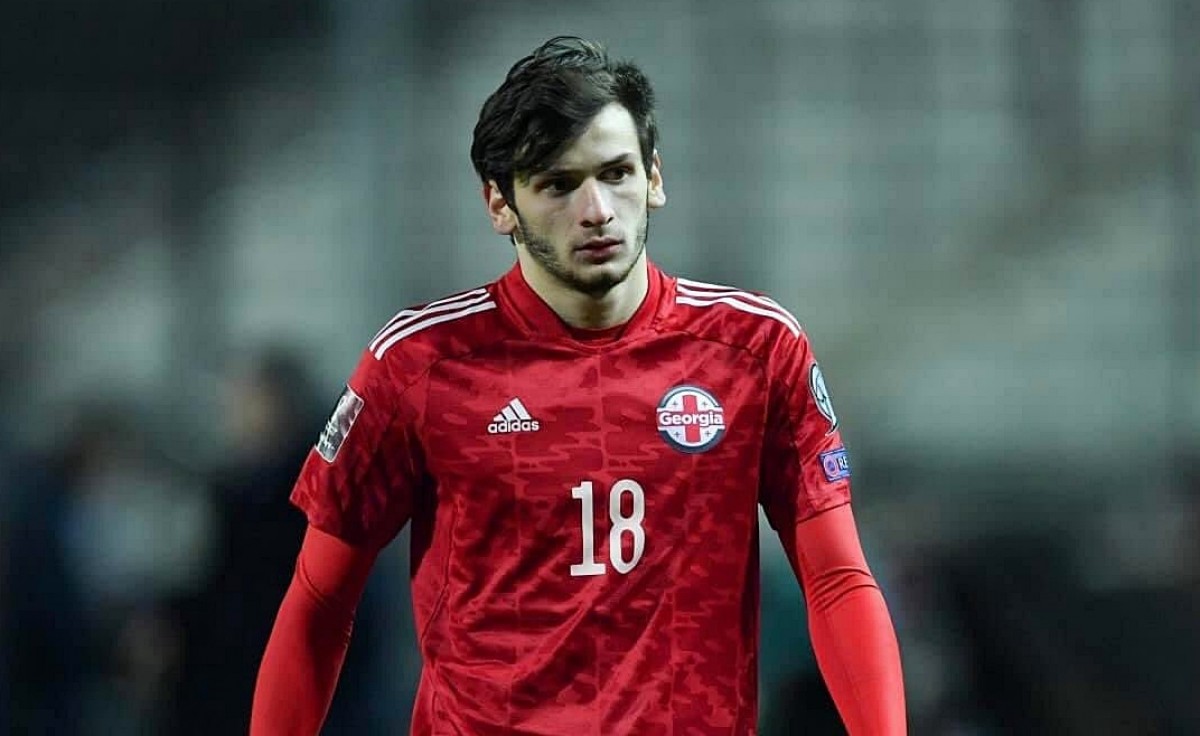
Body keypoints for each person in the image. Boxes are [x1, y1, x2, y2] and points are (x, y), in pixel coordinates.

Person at [251, 36, 906, 734]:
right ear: (500, 204)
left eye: (616, 173)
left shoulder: (755, 349)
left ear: (654, 178)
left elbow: (836, 581)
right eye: (558, 185)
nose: (597, 209)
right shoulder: (419, 365)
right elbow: (319, 601)